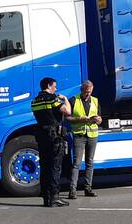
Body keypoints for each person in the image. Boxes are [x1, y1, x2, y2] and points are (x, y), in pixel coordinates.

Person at [30, 76, 71, 207]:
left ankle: (46, 198)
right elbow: (68, 112)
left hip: (41, 136)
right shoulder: (53, 99)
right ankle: (55, 197)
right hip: (54, 137)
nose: (56, 88)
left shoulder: (35, 101)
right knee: (55, 167)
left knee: (45, 167)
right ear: (48, 86)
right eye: (54, 86)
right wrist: (65, 100)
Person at [68, 80, 101, 199]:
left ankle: (88, 188)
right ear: (82, 90)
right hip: (79, 135)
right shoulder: (74, 100)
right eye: (86, 92)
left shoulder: (95, 100)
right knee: (76, 163)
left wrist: (98, 120)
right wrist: (80, 119)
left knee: (90, 163)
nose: (88, 94)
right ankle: (72, 190)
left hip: (92, 135)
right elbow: (67, 118)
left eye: (90, 92)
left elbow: (100, 117)